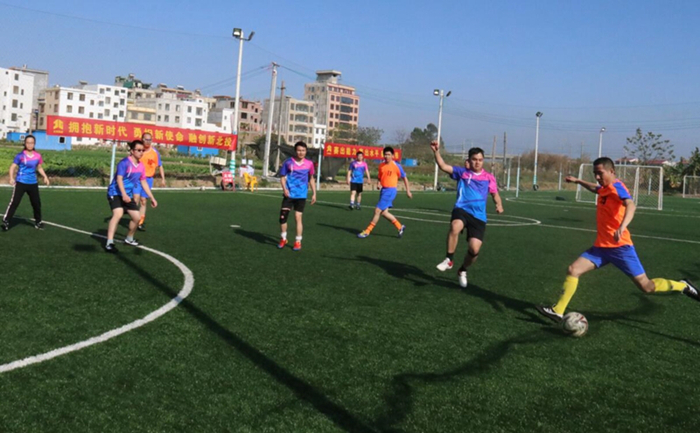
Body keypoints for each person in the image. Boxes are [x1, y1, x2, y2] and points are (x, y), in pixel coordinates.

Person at [536, 157, 698, 322]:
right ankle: (558, 311)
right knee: (573, 270)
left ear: (612, 171)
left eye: (600, 173)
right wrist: (578, 181)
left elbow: (631, 205)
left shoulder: (617, 187)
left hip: (620, 248)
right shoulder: (605, 188)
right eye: (595, 174)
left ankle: (683, 286)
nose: (597, 177)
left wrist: (622, 226)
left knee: (646, 286)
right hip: (601, 248)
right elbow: (596, 189)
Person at [431, 141, 503, 288]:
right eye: (474, 159)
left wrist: (499, 204)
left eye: (480, 160)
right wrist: (436, 151)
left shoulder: (489, 177)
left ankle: (462, 270)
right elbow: (443, 166)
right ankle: (449, 259)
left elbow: (495, 193)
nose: (477, 162)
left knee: (474, 249)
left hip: (478, 216)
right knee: (455, 226)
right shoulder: (462, 173)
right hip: (462, 209)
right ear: (469, 160)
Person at [105, 140, 158, 252]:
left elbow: (143, 182)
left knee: (137, 217)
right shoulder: (124, 163)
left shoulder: (141, 166)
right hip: (115, 192)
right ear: (132, 151)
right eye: (138, 150)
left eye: (142, 150)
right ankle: (109, 242)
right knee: (118, 214)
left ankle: (129, 239)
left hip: (127, 195)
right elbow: (119, 179)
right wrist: (124, 194)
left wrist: (152, 198)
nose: (141, 152)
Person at [358, 146, 412, 238]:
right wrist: (379, 183)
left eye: (389, 154)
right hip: (383, 190)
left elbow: (404, 178)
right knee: (384, 213)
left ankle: (367, 231)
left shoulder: (397, 166)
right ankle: (400, 227)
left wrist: (408, 191)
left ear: (392, 156)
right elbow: (380, 177)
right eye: (385, 154)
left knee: (377, 210)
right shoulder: (381, 166)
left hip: (391, 191)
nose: (387, 156)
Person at [2, 135, 50, 231]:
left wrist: (45, 176)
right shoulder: (20, 156)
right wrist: (11, 178)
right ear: (25, 143)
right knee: (15, 202)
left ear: (34, 144)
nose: (29, 144)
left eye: (31, 143)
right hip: (21, 182)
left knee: (36, 203)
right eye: (28, 142)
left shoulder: (38, 156)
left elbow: (39, 167)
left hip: (33, 183)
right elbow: (12, 167)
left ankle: (38, 222)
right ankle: (6, 221)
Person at [278, 141, 317, 251]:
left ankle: (298, 241)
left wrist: (314, 193)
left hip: (301, 195)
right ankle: (283, 238)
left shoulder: (309, 164)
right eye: (299, 150)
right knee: (282, 217)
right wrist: (284, 189)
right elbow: (282, 177)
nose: (301, 152)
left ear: (306, 151)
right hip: (289, 194)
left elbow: (311, 179)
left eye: (303, 150)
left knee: (297, 217)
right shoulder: (288, 162)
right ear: (295, 151)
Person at [136, 133, 165, 231]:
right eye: (146, 139)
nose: (148, 142)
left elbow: (160, 165)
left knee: (143, 201)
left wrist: (163, 178)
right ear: (142, 139)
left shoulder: (155, 152)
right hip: (137, 178)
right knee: (135, 199)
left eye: (150, 140)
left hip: (148, 179)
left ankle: (140, 222)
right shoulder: (138, 150)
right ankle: (134, 217)